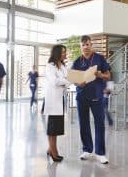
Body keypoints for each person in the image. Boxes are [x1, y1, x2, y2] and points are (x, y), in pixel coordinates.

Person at [72, 35, 110, 164]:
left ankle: (100, 153)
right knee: (84, 124)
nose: (86, 47)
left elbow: (108, 75)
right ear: (80, 46)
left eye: (88, 44)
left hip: (97, 96)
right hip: (82, 97)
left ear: (91, 45)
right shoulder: (77, 61)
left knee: (99, 124)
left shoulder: (99, 58)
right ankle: (87, 150)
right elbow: (73, 79)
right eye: (83, 45)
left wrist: (100, 75)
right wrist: (79, 83)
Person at [44, 44, 69, 162]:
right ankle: (54, 152)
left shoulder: (63, 66)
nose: (65, 54)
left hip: (60, 100)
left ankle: (50, 149)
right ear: (57, 53)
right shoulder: (50, 66)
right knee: (52, 129)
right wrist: (65, 81)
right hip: (53, 101)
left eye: (65, 52)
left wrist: (65, 81)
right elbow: (54, 81)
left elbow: (67, 81)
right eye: (63, 52)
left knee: (57, 128)